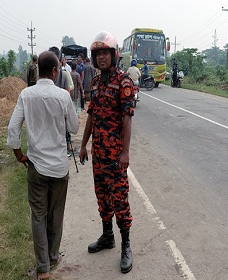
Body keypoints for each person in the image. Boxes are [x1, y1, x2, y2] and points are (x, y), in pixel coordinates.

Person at [7, 51, 79, 280]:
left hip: (36, 166)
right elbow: (75, 128)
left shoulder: (26, 95)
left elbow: (13, 129)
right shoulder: (63, 96)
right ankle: (54, 256)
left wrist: (19, 155)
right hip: (59, 167)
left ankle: (43, 268)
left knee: (38, 215)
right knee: (55, 214)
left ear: (38, 70)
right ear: (56, 71)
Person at [78, 31, 135, 274]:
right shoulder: (95, 82)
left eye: (105, 53)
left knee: (120, 198)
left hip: (115, 156)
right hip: (98, 154)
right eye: (97, 54)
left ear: (113, 55)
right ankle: (107, 236)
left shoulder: (124, 82)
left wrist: (125, 152)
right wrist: (83, 144)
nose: (101, 58)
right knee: (102, 197)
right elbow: (91, 116)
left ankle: (126, 246)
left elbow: (127, 118)